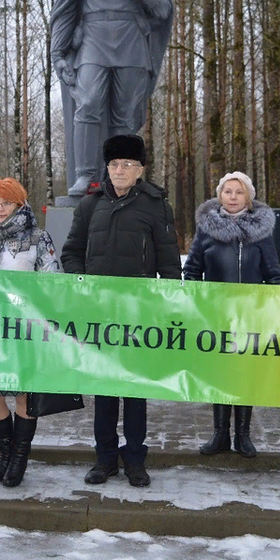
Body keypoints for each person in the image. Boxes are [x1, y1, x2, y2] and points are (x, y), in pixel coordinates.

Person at [61, 134, 182, 487]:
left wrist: (165, 302)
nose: (119, 171)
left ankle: (135, 460)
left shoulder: (156, 205)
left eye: (127, 165)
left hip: (138, 314)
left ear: (140, 169)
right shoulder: (90, 205)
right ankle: (104, 459)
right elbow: (71, 252)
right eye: (114, 165)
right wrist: (81, 285)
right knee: (103, 388)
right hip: (98, 313)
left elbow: (170, 262)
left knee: (133, 389)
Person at [49, 0, 174, 197]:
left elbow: (162, 10)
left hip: (131, 39)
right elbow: (65, 8)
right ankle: (85, 175)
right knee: (88, 102)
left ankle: (121, 178)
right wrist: (58, 52)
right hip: (93, 38)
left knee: (125, 114)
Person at [183, 172, 280, 459]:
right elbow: (191, 271)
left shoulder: (261, 232)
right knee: (220, 375)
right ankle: (220, 434)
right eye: (228, 191)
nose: (233, 197)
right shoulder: (206, 230)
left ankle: (243, 436)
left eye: (239, 192)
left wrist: (270, 308)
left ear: (248, 197)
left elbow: (273, 274)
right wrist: (197, 304)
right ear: (219, 195)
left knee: (244, 375)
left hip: (251, 317)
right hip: (216, 317)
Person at [0, 177, 61, 487]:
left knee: (24, 396)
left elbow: (52, 282)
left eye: (5, 202)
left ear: (20, 204)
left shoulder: (38, 238)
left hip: (25, 330)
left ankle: (19, 460)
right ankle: (6, 455)